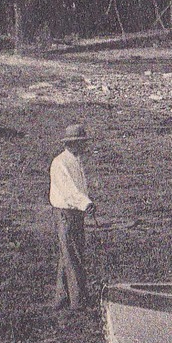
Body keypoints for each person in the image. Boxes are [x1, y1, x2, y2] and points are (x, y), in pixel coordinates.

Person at [48, 123, 95, 309]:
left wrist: (84, 204)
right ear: (73, 143)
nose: (84, 146)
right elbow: (69, 192)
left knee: (67, 254)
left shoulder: (76, 161)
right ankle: (78, 301)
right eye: (82, 143)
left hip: (75, 212)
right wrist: (86, 203)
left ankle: (62, 298)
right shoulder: (60, 163)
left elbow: (80, 188)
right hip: (65, 213)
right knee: (72, 255)